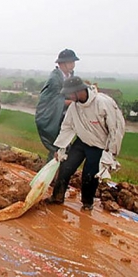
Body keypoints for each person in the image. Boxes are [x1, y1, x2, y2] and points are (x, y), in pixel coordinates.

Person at [45, 76, 125, 210]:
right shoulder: (74, 107)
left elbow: (115, 129)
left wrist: (110, 152)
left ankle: (87, 203)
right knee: (66, 166)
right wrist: (60, 149)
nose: (69, 96)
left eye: (70, 93)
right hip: (82, 141)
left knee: (89, 175)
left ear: (79, 91)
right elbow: (67, 127)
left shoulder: (102, 103)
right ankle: (57, 196)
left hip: (99, 145)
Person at [35, 49, 80, 162]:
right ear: (61, 64)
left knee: (65, 143)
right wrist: (73, 102)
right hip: (50, 114)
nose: (72, 65)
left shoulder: (70, 76)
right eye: (70, 62)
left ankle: (58, 170)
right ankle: (51, 172)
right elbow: (53, 101)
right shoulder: (54, 79)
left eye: (73, 62)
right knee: (57, 145)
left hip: (63, 113)